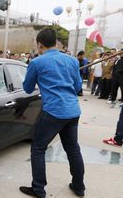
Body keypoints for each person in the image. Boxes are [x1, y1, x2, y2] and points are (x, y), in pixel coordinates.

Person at [21, 28, 85, 198]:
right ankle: (79, 187)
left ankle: (38, 189)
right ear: (56, 42)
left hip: (53, 112)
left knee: (38, 149)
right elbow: (78, 87)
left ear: (39, 44)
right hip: (73, 111)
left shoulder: (36, 63)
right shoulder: (72, 61)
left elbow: (27, 88)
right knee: (73, 149)